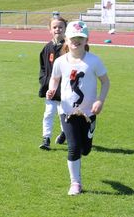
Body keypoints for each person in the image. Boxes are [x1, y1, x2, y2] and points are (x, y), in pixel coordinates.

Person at [46, 21, 110, 196]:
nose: (76, 41)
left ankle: (89, 133)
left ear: (86, 39)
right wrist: (51, 90)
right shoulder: (60, 62)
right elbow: (54, 79)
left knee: (85, 149)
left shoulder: (93, 61)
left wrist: (100, 101)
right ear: (66, 39)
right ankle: (75, 183)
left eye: (80, 38)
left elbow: (105, 82)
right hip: (67, 111)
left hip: (89, 112)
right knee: (73, 147)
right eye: (73, 38)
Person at [38, 16, 67, 150]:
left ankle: (64, 132)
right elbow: (43, 67)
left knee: (63, 113)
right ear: (50, 29)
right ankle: (46, 138)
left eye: (60, 27)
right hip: (50, 88)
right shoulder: (47, 48)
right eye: (54, 27)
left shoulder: (68, 47)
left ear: (65, 29)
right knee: (48, 113)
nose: (57, 29)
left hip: (65, 89)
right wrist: (44, 81)